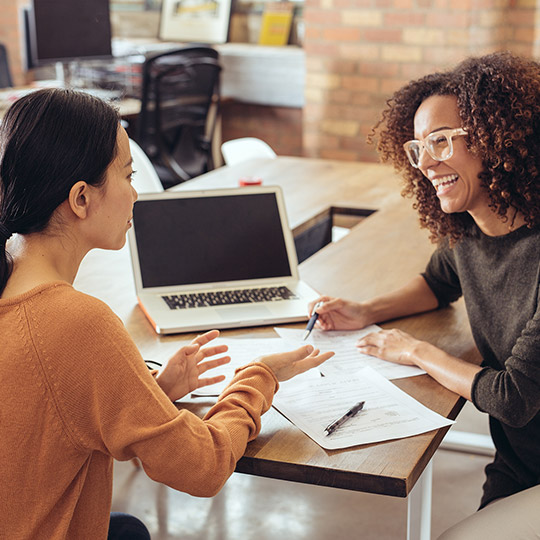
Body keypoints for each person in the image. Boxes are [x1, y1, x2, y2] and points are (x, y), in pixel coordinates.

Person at [0, 88, 334, 539]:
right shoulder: (75, 323)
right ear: (81, 199)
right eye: (128, 175)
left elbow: (52, 420)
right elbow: (203, 468)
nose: (136, 194)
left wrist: (154, 391)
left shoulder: (16, 291)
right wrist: (257, 378)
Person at [309, 51, 540, 538]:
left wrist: (414, 350)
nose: (427, 163)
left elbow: (513, 398)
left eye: (440, 141)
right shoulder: (470, 233)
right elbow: (437, 283)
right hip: (518, 463)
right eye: (418, 148)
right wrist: (364, 311)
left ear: (496, 139)